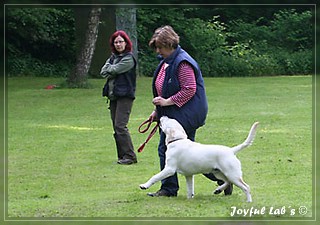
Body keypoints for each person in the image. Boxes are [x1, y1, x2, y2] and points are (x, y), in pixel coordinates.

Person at [147, 25, 232, 197]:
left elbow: (189, 89)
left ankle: (169, 189)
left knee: (176, 153)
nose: (158, 50)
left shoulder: (182, 62)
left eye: (160, 47)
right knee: (188, 156)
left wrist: (166, 102)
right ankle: (222, 179)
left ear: (169, 44)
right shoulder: (167, 61)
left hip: (188, 113)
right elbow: (165, 88)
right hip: (174, 112)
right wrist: (158, 111)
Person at [100, 30, 137, 165]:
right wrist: (111, 68)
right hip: (113, 96)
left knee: (120, 126)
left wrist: (111, 68)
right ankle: (122, 156)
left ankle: (130, 156)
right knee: (116, 127)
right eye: (116, 42)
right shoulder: (112, 58)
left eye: (121, 41)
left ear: (126, 42)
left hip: (125, 96)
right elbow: (103, 72)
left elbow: (113, 70)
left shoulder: (128, 58)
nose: (118, 44)